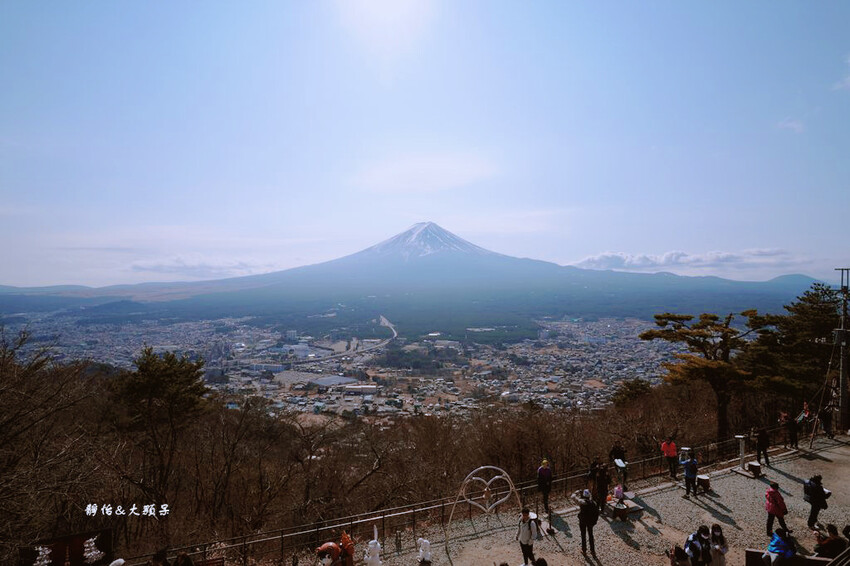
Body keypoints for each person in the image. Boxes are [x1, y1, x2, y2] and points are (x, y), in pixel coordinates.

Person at [578, 489, 599, 556]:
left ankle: (584, 550)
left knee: (583, 535)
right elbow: (596, 514)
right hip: (590, 522)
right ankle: (593, 551)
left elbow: (574, 497)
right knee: (591, 536)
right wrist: (594, 522)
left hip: (583, 521)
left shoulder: (582, 503)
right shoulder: (593, 503)